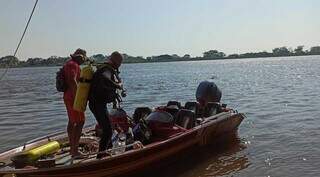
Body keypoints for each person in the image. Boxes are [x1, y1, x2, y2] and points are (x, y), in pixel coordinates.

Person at [88, 51, 124, 159]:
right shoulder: (107, 69)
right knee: (108, 129)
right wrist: (117, 85)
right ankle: (101, 155)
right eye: (120, 62)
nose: (120, 65)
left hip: (97, 104)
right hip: (97, 104)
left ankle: (107, 149)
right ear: (116, 61)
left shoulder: (104, 67)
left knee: (107, 127)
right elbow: (105, 77)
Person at [63, 48, 87, 157]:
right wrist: (79, 99)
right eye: (84, 58)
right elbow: (72, 80)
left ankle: (72, 149)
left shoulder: (69, 64)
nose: (84, 60)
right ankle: (75, 151)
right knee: (80, 122)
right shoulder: (72, 64)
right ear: (80, 56)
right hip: (73, 98)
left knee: (72, 122)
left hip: (68, 96)